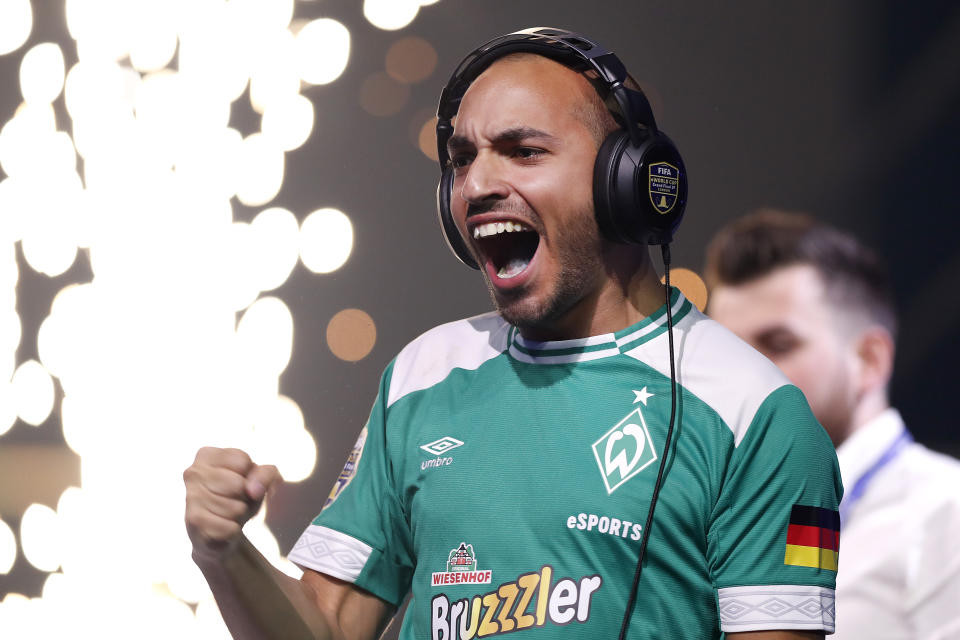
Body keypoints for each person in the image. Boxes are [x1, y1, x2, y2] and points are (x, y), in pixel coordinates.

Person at [184, 29, 842, 639]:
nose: (478, 186)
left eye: (523, 152)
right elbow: (325, 626)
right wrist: (223, 551)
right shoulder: (423, 375)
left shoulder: (755, 414)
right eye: (463, 159)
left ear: (628, 180)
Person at [705, 209, 960, 640]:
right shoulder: (719, 514)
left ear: (869, 360)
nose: (744, 375)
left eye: (778, 345)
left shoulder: (945, 510)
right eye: (728, 351)